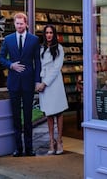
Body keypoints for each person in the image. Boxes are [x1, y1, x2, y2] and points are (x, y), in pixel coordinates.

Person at [0, 13, 41, 157]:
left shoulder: (34, 40)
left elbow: (38, 62)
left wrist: (37, 81)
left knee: (28, 117)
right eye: (17, 24)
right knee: (16, 117)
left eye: (21, 24)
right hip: (14, 83)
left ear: (26, 24)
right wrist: (11, 65)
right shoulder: (8, 39)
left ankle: (29, 149)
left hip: (29, 83)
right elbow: (1, 58)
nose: (19, 26)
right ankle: (18, 148)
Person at [36, 25, 68, 155]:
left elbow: (56, 68)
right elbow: (37, 65)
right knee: (49, 114)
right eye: (47, 32)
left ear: (54, 34)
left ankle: (59, 140)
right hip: (43, 82)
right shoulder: (41, 48)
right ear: (44, 34)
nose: (49, 35)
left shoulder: (59, 48)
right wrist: (38, 82)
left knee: (59, 113)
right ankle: (51, 141)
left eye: (51, 32)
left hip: (54, 83)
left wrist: (44, 83)